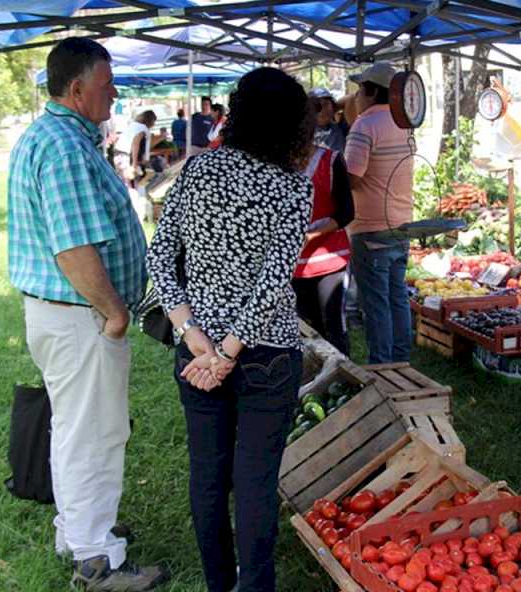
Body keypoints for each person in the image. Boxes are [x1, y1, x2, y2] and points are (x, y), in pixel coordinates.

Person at [145, 67, 314, 592]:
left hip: (196, 354)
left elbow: (159, 257)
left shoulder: (195, 173)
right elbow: (271, 284)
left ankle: (221, 585)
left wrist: (191, 333)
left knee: (208, 478)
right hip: (265, 355)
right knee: (256, 483)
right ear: (292, 124)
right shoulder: (292, 188)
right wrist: (227, 350)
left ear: (237, 114)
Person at [7, 38, 167, 591]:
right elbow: (74, 251)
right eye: (107, 84)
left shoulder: (57, 136)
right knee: (95, 434)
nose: (115, 92)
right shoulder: (66, 148)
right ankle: (97, 558)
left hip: (63, 315)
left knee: (77, 430)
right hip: (81, 315)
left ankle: (79, 530)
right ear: (77, 89)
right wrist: (114, 311)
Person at [344, 62, 415, 364]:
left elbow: (353, 177)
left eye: (359, 89)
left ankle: (382, 365)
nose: (356, 96)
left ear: (371, 91)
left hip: (370, 227)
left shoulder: (365, 125)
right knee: (397, 296)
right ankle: (401, 359)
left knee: (376, 303)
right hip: (402, 224)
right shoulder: (404, 122)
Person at [293, 143, 354, 354]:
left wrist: (311, 235)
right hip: (294, 263)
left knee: (334, 322)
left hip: (330, 259)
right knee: (306, 326)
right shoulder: (276, 163)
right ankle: (317, 378)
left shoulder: (331, 160)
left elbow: (347, 212)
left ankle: (343, 380)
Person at [115, 110, 158, 185]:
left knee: (125, 180)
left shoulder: (133, 125)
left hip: (119, 154)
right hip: (126, 156)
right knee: (128, 182)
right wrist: (134, 164)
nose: (154, 124)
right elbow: (135, 144)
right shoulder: (142, 128)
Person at [308, 88, 347, 154]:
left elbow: (350, 98)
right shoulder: (305, 133)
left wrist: (333, 110)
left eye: (326, 104)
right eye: (317, 106)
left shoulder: (341, 127)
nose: (322, 110)